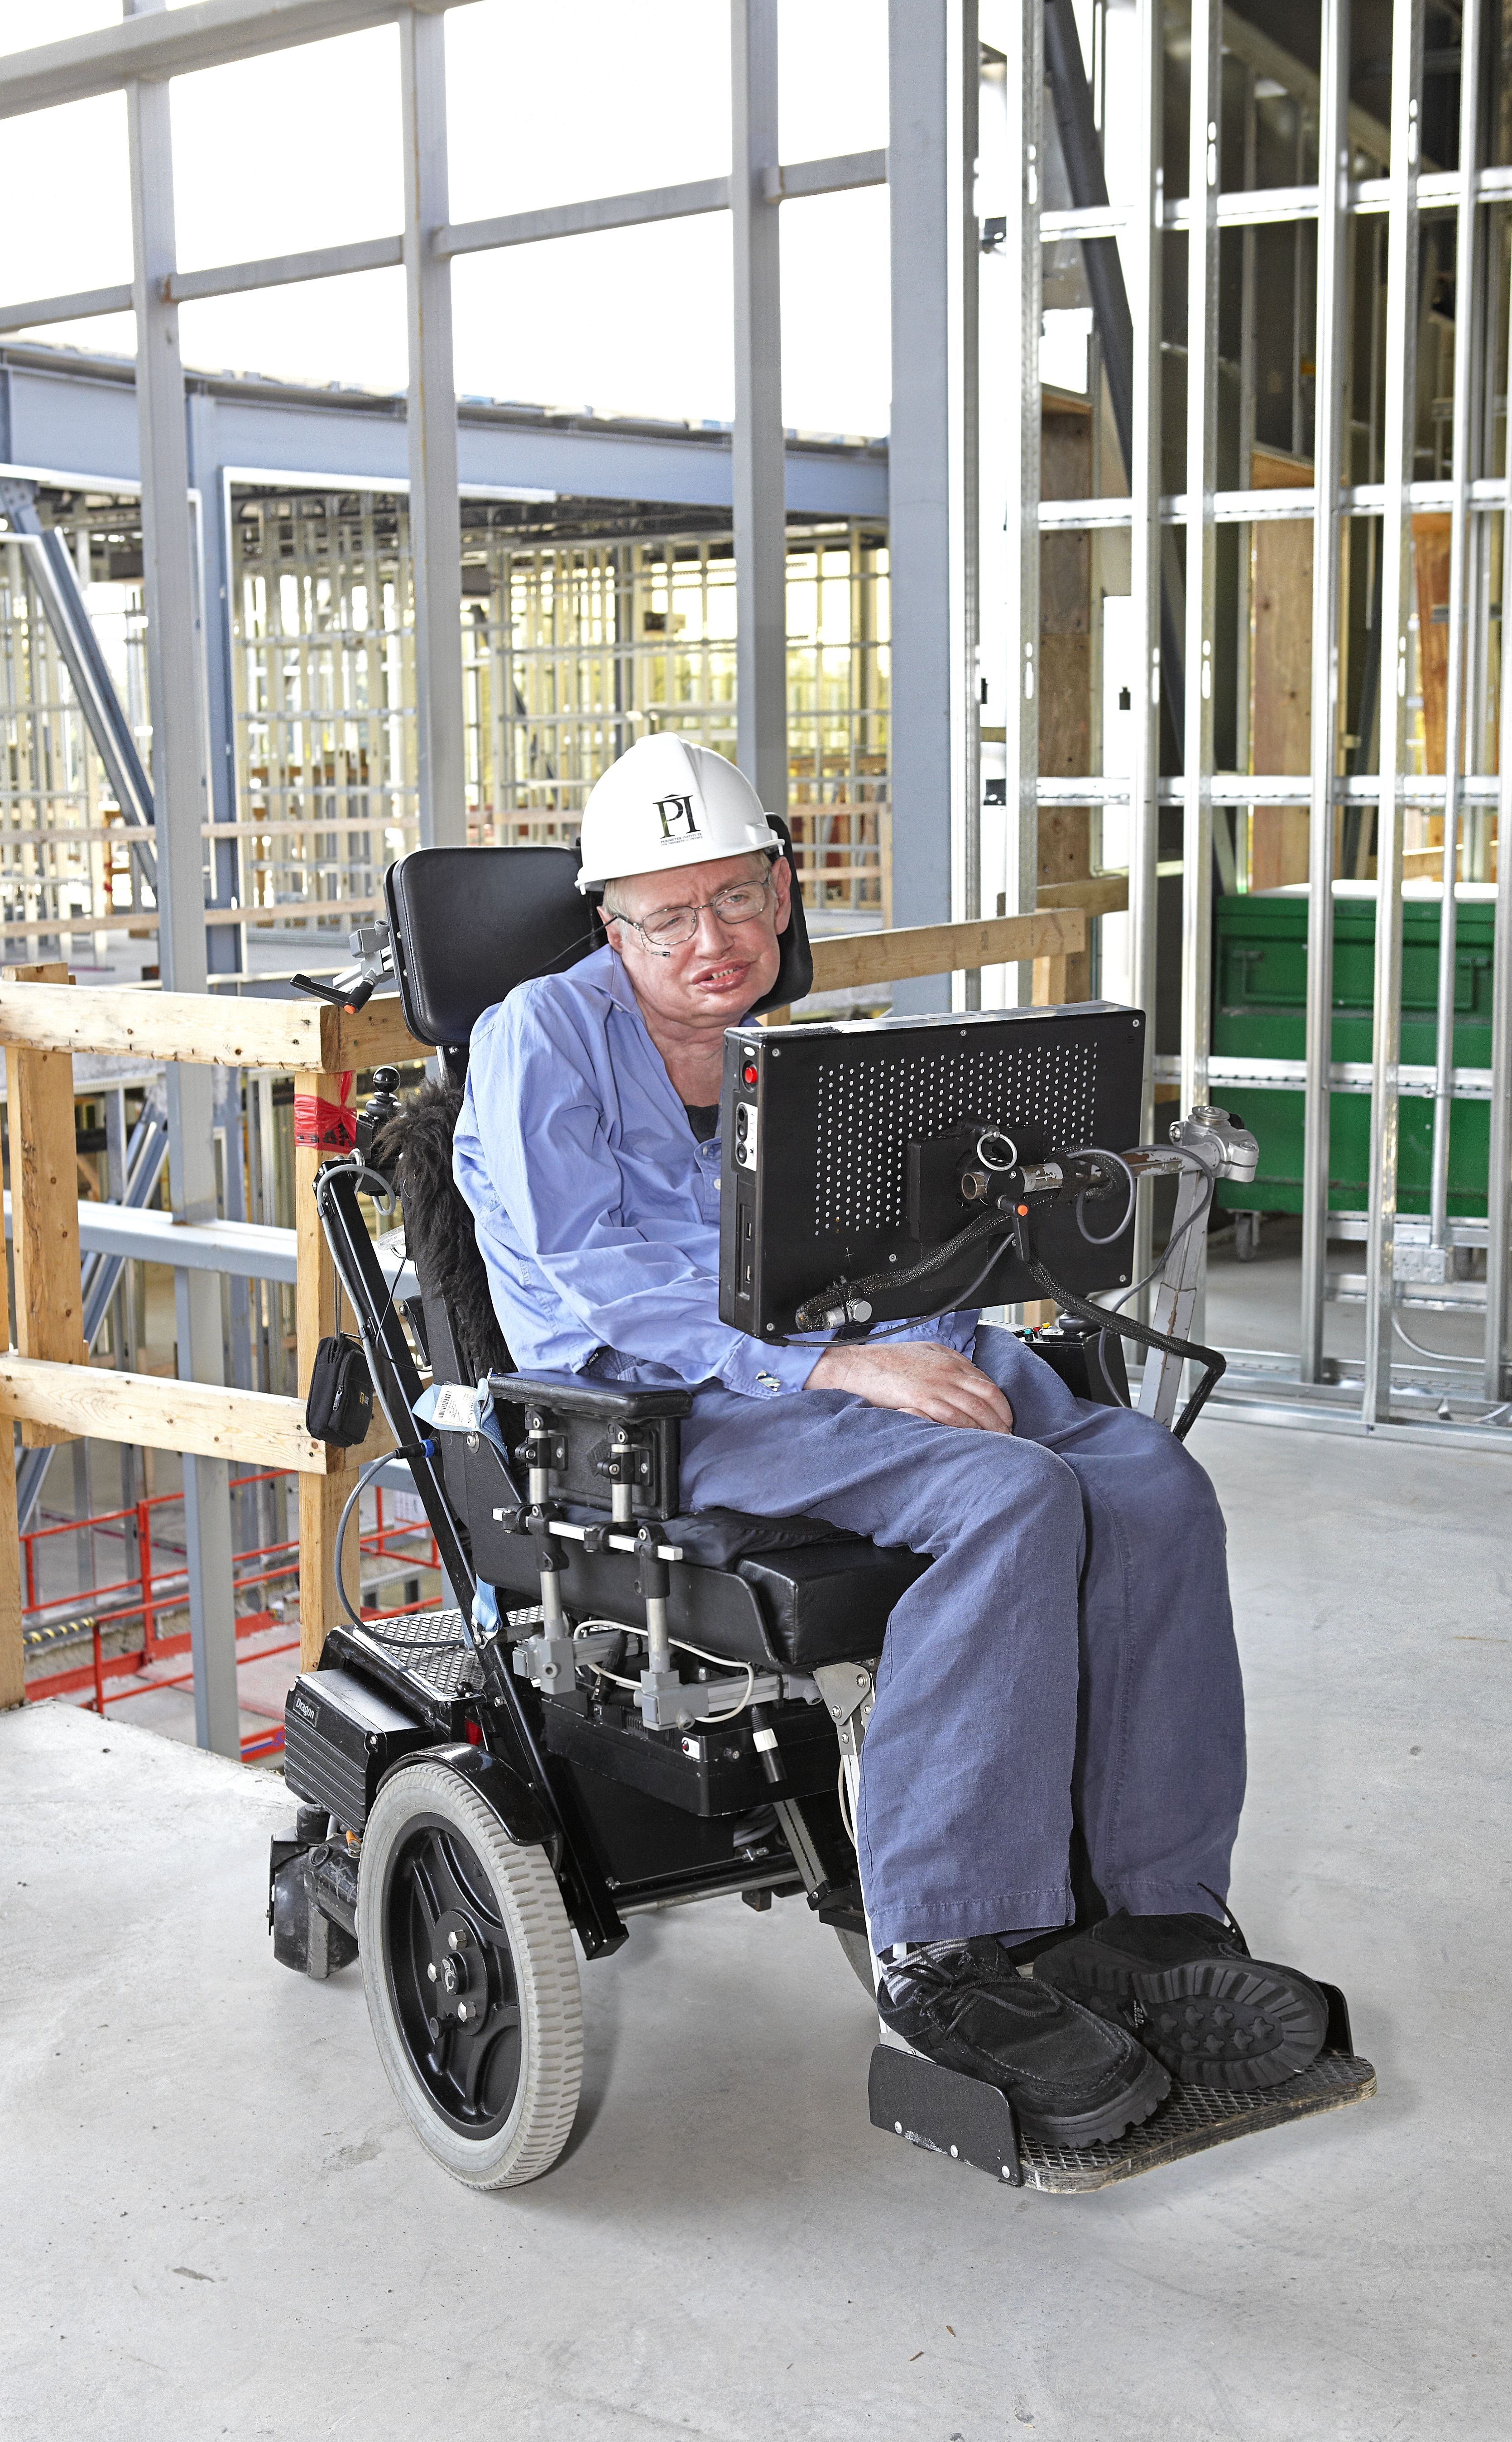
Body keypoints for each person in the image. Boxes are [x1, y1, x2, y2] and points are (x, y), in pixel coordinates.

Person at [454, 730, 1327, 2148]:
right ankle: (949, 1954)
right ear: (610, 924)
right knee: (1011, 1499)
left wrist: (948, 1305)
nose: (710, 940)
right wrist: (842, 1363)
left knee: (1156, 1482)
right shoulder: (538, 1038)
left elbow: (869, 1244)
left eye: (737, 897)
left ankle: (1155, 1914)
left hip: (866, 1364)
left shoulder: (780, 1053)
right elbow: (599, 1283)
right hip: (674, 1415)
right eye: (666, 916)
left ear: (785, 891)